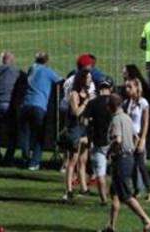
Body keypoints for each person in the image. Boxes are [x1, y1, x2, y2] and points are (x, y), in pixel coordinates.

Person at [105, 92, 150, 232]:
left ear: (111, 106)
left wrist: (110, 151)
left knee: (126, 195)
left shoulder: (116, 120)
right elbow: (136, 137)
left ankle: (147, 221)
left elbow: (118, 140)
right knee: (114, 193)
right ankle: (111, 226)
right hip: (129, 157)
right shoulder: (127, 118)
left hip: (121, 159)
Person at [63, 68, 92, 202]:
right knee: (72, 160)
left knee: (83, 160)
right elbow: (76, 112)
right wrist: (86, 102)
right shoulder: (74, 94)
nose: (90, 80)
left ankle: (84, 187)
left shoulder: (86, 93)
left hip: (84, 128)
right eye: (88, 78)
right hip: (75, 129)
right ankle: (68, 189)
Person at [87, 79, 115, 205]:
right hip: (113, 140)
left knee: (100, 173)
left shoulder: (93, 103)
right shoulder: (115, 102)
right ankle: (116, 195)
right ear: (111, 88)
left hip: (98, 141)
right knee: (116, 171)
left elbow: (87, 121)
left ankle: (103, 199)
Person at [125, 76, 150, 202]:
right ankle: (136, 190)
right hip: (130, 137)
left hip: (139, 136)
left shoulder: (143, 103)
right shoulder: (127, 103)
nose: (127, 89)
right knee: (131, 164)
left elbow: (146, 122)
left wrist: (142, 139)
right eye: (126, 87)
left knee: (141, 165)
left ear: (137, 88)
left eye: (130, 87)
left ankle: (149, 191)